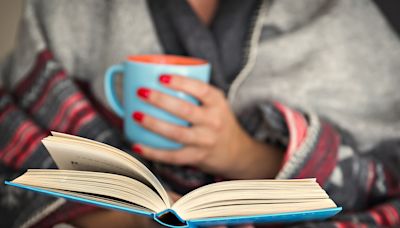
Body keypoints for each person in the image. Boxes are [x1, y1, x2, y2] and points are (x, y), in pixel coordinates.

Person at [0, 0, 399, 227]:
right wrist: (123, 218)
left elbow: (387, 183)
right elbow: (18, 145)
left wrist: (241, 153)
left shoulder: (353, 17)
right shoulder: (67, 11)